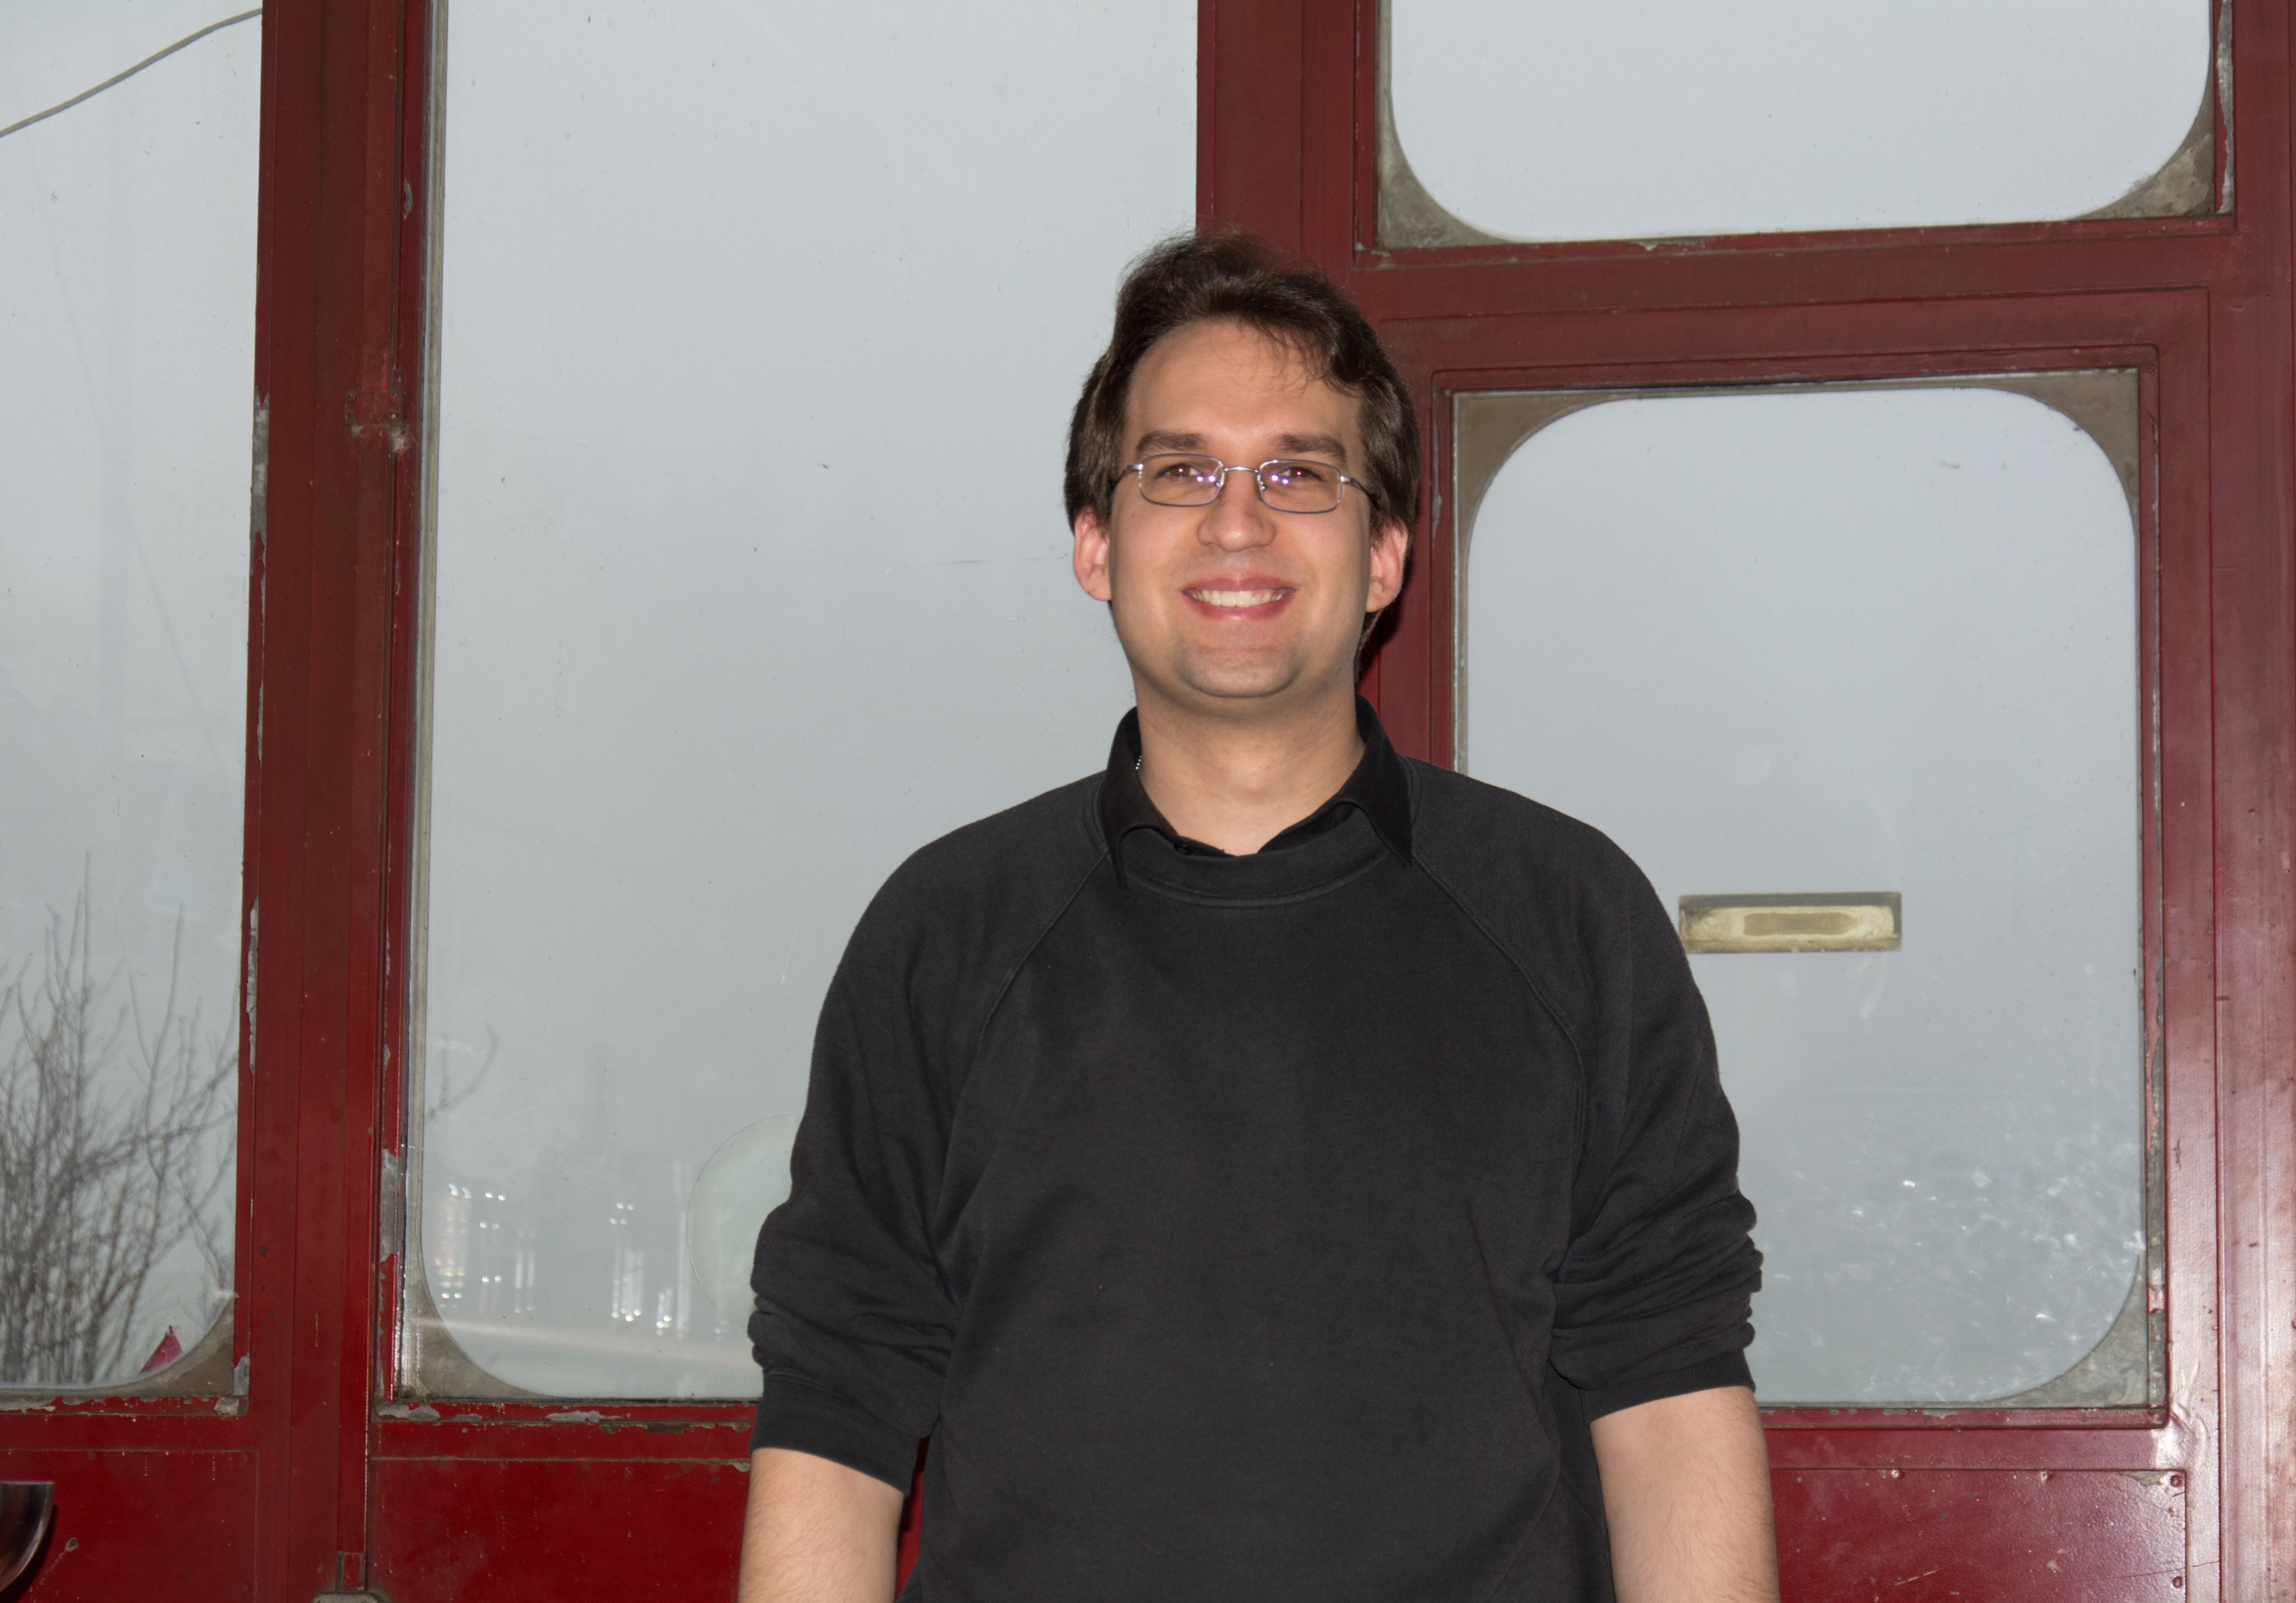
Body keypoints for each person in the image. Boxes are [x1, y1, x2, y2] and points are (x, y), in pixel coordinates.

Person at [737, 230, 1776, 1603]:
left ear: (1385, 553)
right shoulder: (944, 931)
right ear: (1095, 543)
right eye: (1179, 471)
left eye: (1297, 473)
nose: (1237, 521)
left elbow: (1668, 1384)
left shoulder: (1568, 916)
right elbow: (838, 1398)